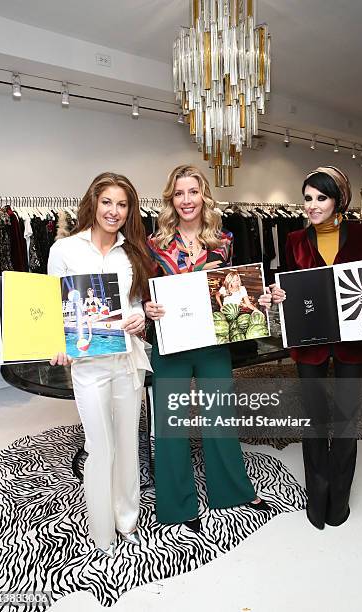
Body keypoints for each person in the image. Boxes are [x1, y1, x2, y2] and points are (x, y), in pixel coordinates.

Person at [271, 165, 362, 530]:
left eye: (321, 198)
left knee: (346, 420)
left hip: (353, 341)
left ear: (338, 200)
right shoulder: (295, 239)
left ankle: (339, 502)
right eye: (308, 198)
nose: (312, 206)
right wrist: (278, 293)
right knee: (314, 421)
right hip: (309, 343)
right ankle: (318, 499)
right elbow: (289, 283)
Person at [144, 164, 272, 533]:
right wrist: (147, 308)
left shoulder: (224, 241)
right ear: (171, 198)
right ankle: (176, 504)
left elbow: (234, 289)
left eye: (193, 192)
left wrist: (254, 298)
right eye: (180, 193)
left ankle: (231, 490)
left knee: (220, 417)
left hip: (214, 341)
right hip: (169, 343)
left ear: (204, 197)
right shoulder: (154, 245)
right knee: (171, 423)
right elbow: (141, 293)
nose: (187, 200)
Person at [48, 172, 153, 555]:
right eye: (107, 202)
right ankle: (102, 529)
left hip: (127, 360)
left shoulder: (134, 252)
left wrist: (141, 317)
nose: (114, 211)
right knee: (100, 444)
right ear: (93, 202)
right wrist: (56, 343)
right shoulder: (64, 250)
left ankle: (127, 519)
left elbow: (138, 304)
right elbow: (52, 307)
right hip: (88, 364)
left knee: (127, 441)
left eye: (122, 204)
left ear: (130, 210)